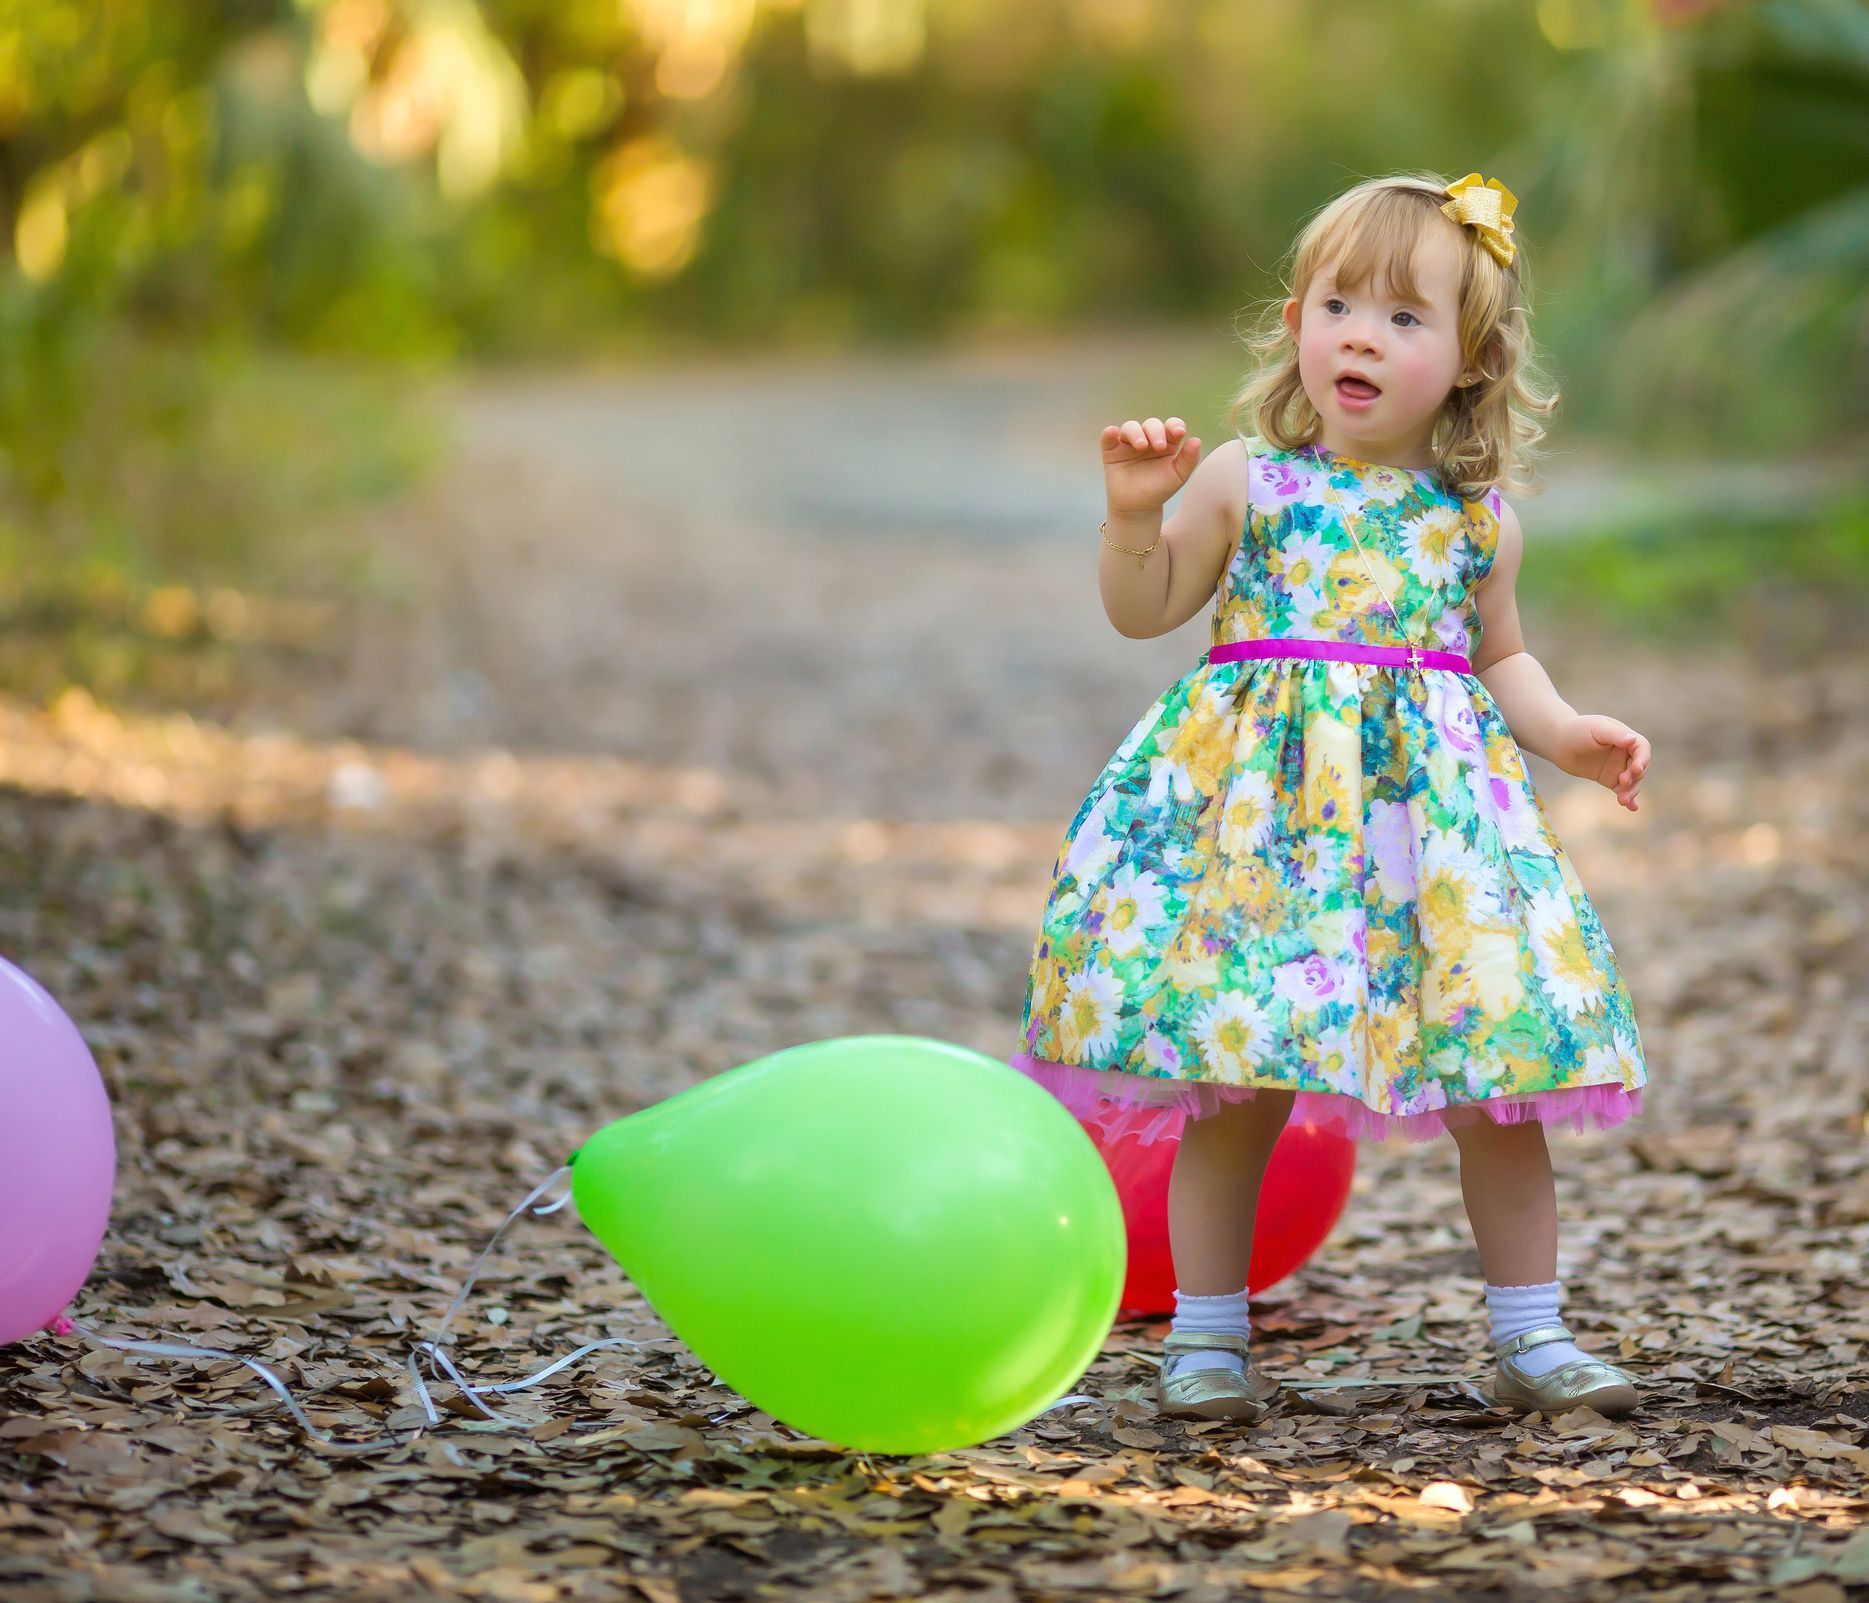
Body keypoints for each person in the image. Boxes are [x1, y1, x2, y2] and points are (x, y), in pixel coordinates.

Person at [1008, 172, 1652, 1424]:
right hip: (1261, 836)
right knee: (1238, 1078)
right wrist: (1134, 521)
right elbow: (1146, 607)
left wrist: (1569, 736)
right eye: (1338, 303)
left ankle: (1533, 1331)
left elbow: (1500, 656)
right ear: (1297, 321)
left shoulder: (1474, 523)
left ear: (1471, 362)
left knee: (1494, 1079)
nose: (1361, 333)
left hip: (1431, 839)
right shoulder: (1251, 479)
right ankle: (1204, 1338)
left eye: (1406, 318)